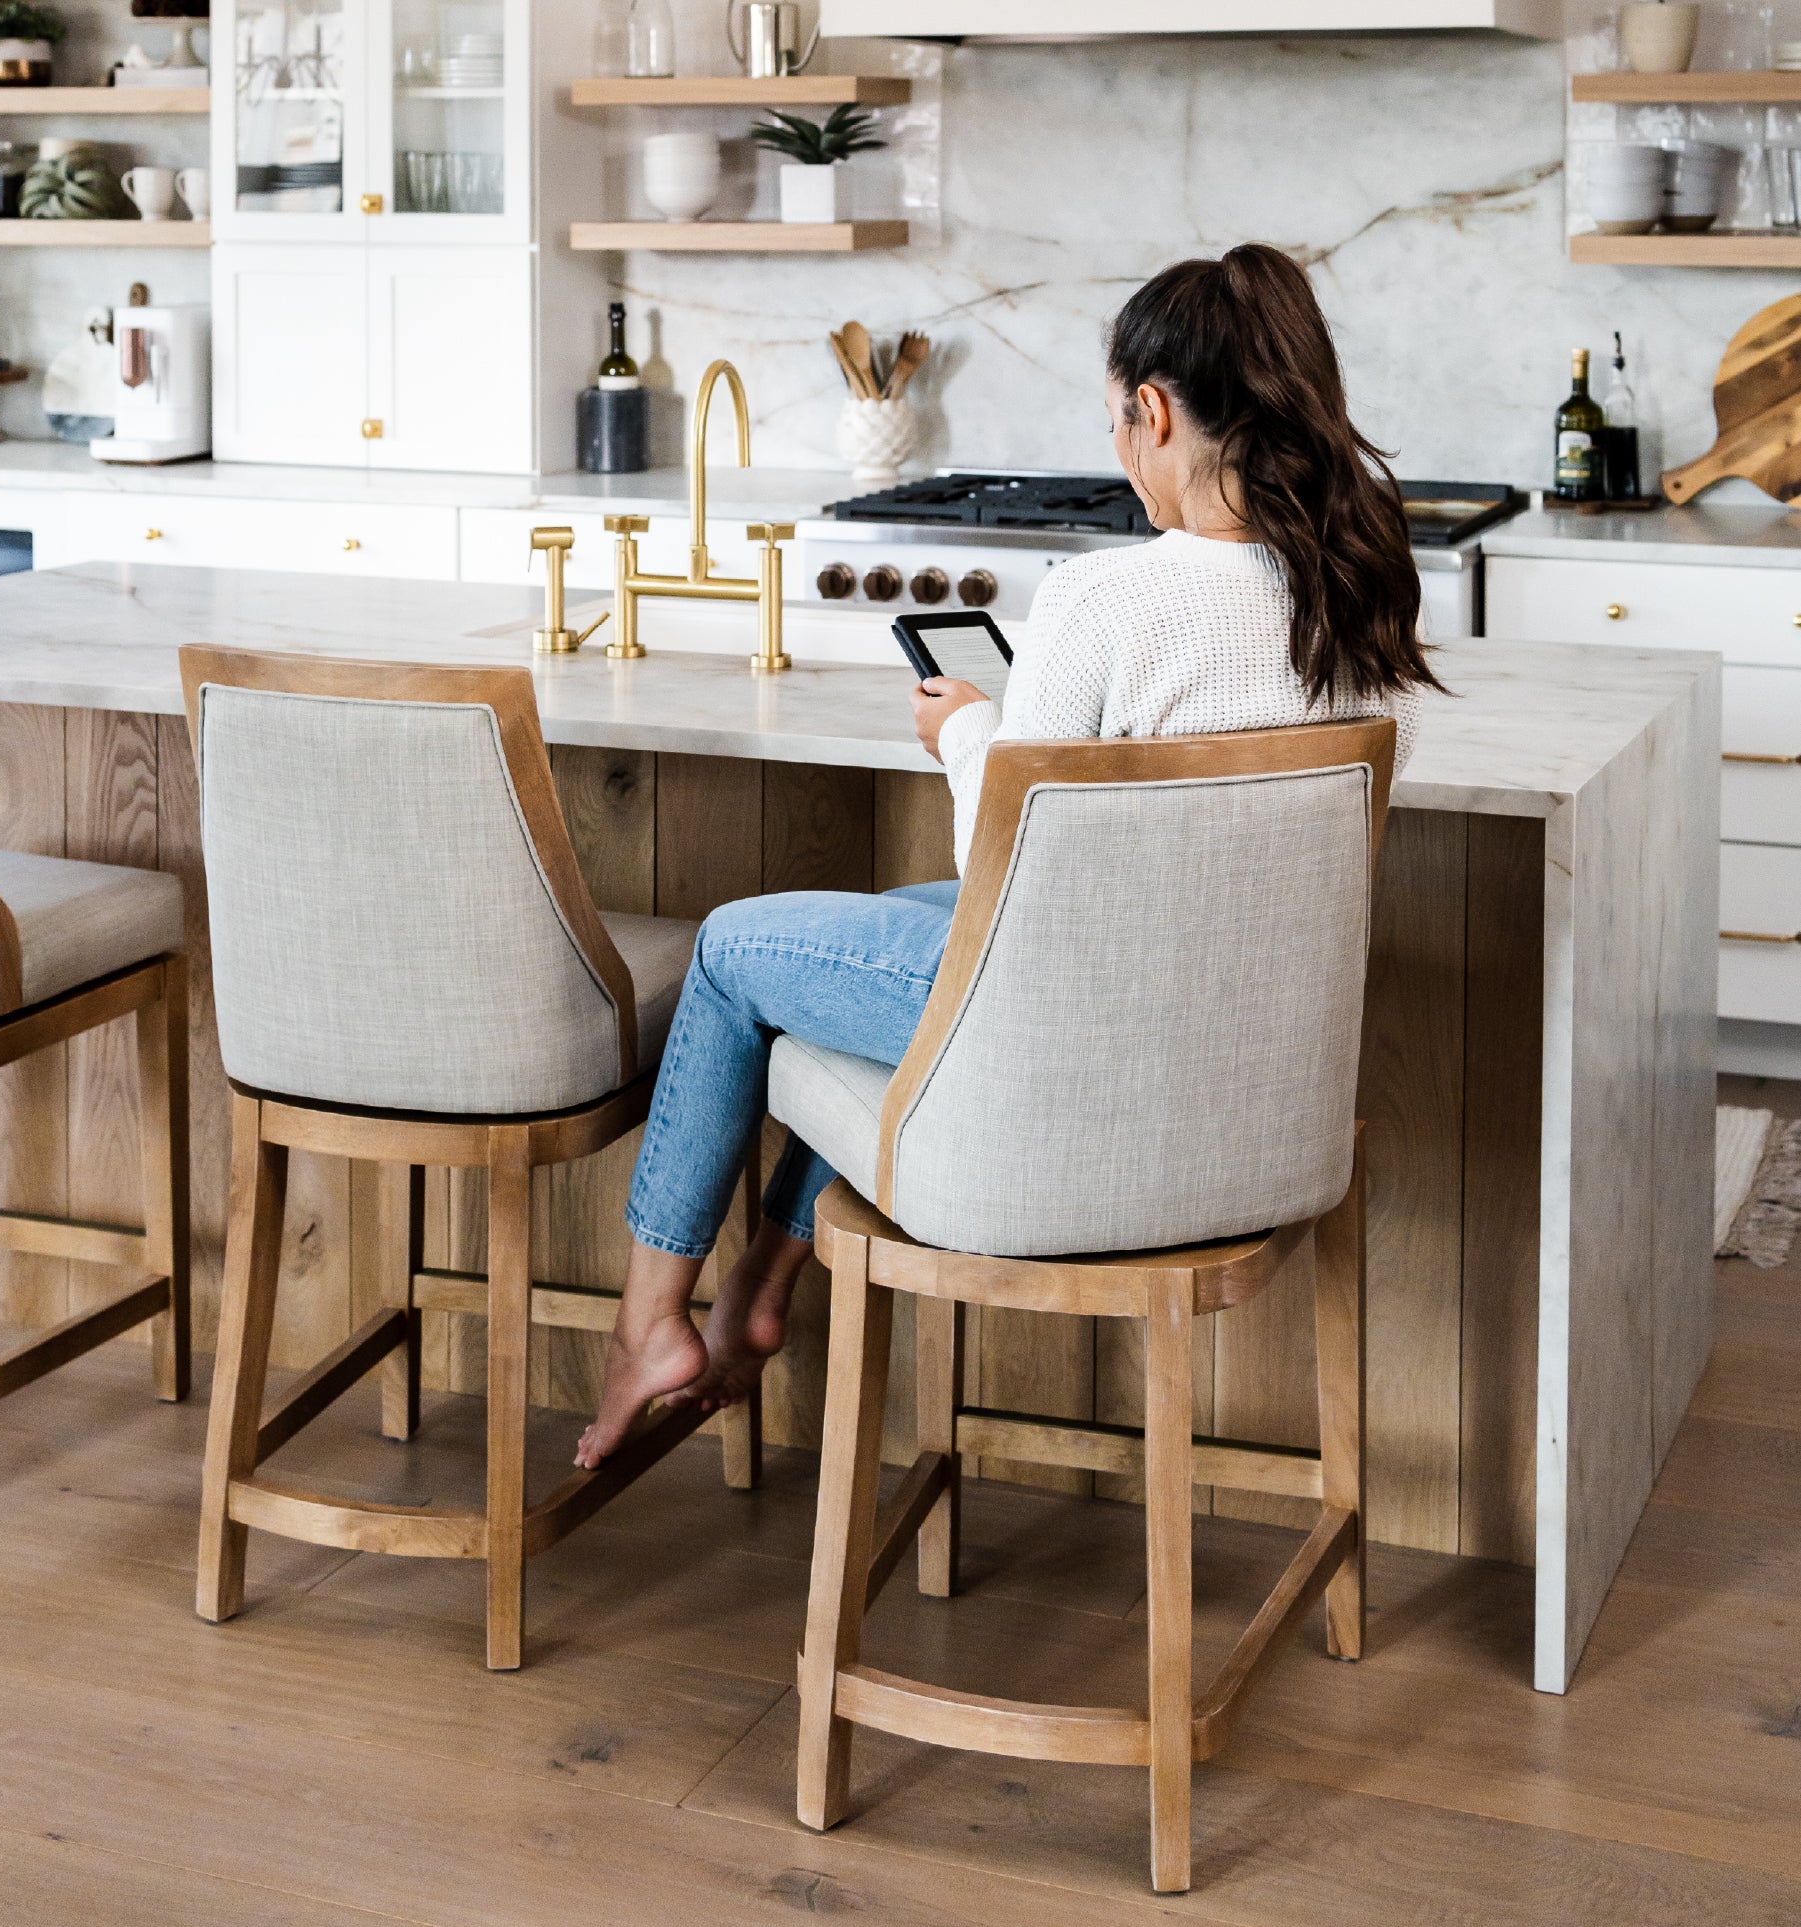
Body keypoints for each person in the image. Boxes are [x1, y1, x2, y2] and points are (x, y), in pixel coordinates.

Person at [574, 241, 1444, 1470]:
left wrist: (966, 731)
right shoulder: (1360, 595)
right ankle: (758, 1289)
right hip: (1251, 1098)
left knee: (732, 953)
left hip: (1066, 1058)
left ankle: (647, 1327)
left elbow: (1003, 855)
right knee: (873, 930)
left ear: (1154, 412)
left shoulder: (1108, 602)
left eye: (1116, 420)